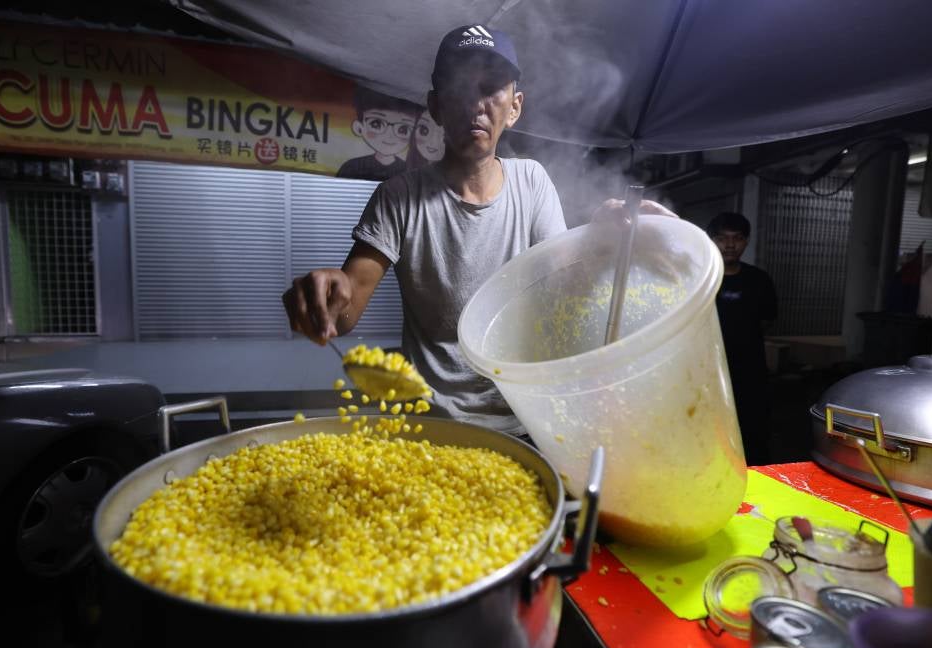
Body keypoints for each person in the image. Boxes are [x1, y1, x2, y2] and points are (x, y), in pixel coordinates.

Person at [284, 24, 671, 435]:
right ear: (435, 105)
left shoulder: (532, 182)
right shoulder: (399, 196)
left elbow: (564, 289)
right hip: (428, 423)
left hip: (523, 419)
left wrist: (600, 241)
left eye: (491, 89)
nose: (477, 104)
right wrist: (326, 298)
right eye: (460, 88)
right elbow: (345, 313)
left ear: (515, 106)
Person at [708, 212, 778, 466]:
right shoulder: (703, 279)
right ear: (711, 240)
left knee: (753, 431)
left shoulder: (759, 280)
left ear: (746, 241)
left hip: (751, 372)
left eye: (736, 238)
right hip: (709, 372)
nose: (729, 245)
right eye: (722, 238)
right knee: (710, 429)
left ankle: (757, 477)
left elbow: (768, 320)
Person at [336, 86, 422, 181]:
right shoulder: (351, 167)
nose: (389, 135)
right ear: (359, 128)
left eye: (403, 129)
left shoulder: (409, 171)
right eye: (376, 124)